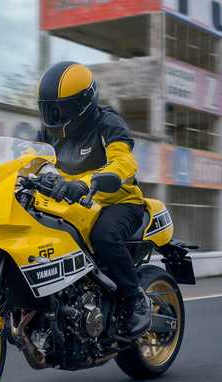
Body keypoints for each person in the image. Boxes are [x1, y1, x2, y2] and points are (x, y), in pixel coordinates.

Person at [34, 61, 150, 338]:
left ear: (83, 103)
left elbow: (123, 160)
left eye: (62, 108)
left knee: (104, 236)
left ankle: (135, 300)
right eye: (49, 108)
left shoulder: (107, 122)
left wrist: (90, 182)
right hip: (72, 205)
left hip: (118, 201)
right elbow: (33, 159)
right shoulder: (48, 132)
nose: (55, 115)